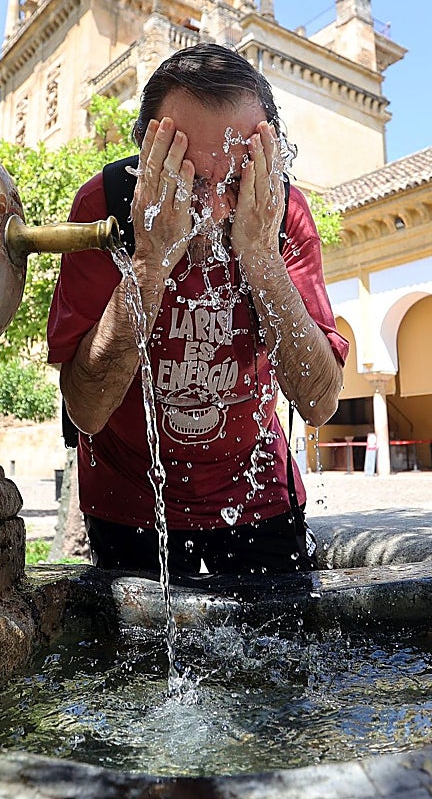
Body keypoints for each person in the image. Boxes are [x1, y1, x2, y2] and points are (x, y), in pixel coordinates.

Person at [47, 44, 347, 577]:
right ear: (149, 162)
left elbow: (319, 402)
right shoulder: (105, 210)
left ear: (268, 163)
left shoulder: (281, 214)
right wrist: (149, 262)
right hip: (129, 503)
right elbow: (86, 409)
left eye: (235, 183)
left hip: (259, 497)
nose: (212, 211)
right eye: (190, 183)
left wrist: (261, 258)